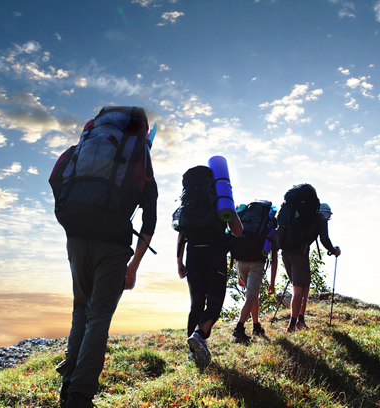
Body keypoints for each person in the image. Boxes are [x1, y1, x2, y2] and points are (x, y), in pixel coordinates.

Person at [52, 107, 158, 408]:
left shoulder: (85, 149)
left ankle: (68, 382)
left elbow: (57, 179)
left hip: (76, 238)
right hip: (112, 246)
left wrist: (76, 223)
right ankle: (80, 395)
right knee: (98, 317)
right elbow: (149, 219)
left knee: (80, 311)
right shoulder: (140, 159)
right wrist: (133, 266)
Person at [176, 167, 242, 369]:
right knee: (214, 304)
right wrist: (229, 211)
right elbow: (238, 232)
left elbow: (181, 233)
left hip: (193, 255)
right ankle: (199, 335)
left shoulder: (189, 201)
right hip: (215, 254)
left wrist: (179, 261)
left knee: (196, 305)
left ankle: (192, 354)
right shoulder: (220, 200)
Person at [283, 202, 340, 332]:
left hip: (286, 253)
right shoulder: (320, 218)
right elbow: (324, 239)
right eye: (328, 216)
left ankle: (300, 320)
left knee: (304, 287)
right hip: (299, 254)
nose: (328, 219)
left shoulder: (300, 217)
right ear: (325, 213)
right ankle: (292, 325)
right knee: (298, 290)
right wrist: (334, 250)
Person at [231, 203, 279, 343]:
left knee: (254, 295)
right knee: (251, 296)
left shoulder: (246, 221)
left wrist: (239, 273)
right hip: (256, 263)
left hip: (240, 261)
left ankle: (256, 326)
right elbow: (274, 259)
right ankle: (239, 328)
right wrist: (272, 283)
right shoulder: (270, 228)